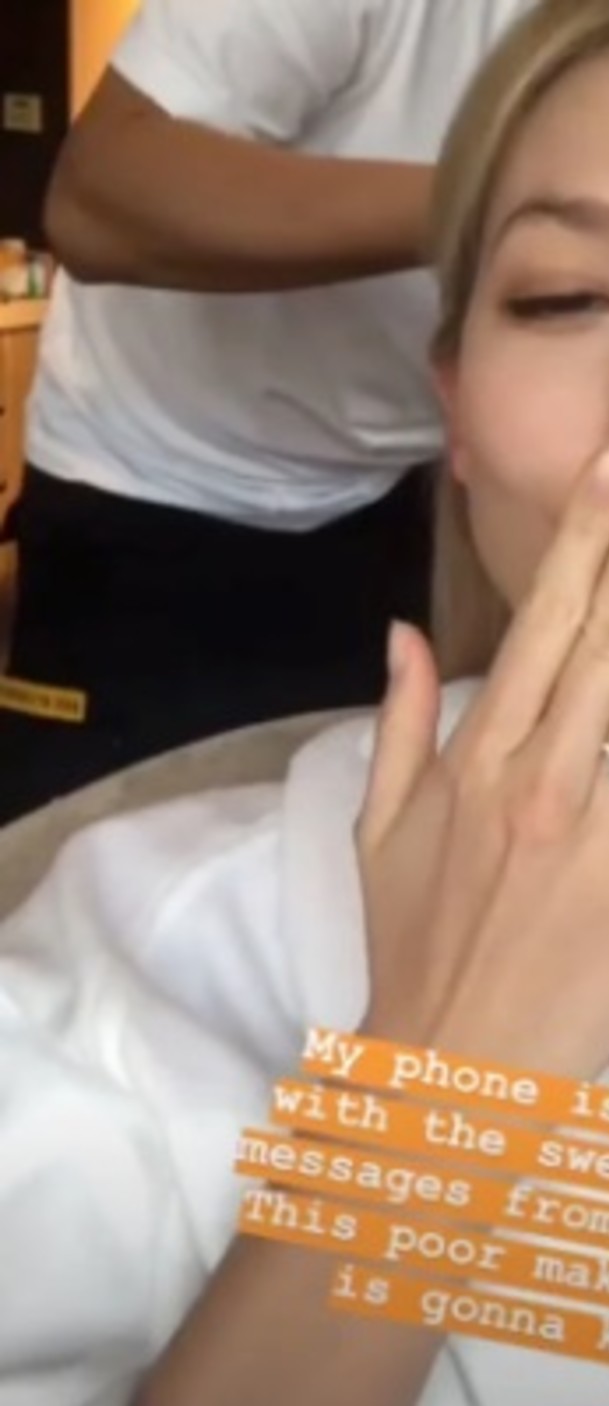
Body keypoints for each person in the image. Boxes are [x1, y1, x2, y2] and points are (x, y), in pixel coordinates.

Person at [3, 2, 609, 1406]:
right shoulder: (141, 966)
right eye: (567, 295)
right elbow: (103, 189)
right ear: (455, 411)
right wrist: (444, 1092)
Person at [0, 0, 534, 825]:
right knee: (90, 852)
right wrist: (513, 199)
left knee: (360, 838)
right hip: (159, 494)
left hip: (406, 491)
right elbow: (98, 200)